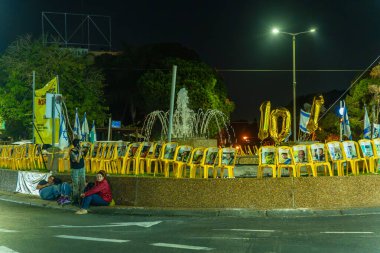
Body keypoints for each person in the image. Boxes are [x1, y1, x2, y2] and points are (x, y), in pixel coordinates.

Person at [70, 138, 86, 205]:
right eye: (79, 143)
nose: (81, 144)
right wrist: (79, 152)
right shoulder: (72, 152)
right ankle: (75, 200)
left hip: (82, 169)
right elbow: (78, 160)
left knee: (82, 184)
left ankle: (82, 199)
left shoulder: (80, 150)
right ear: (76, 144)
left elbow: (83, 157)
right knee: (76, 185)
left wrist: (81, 151)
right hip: (75, 170)